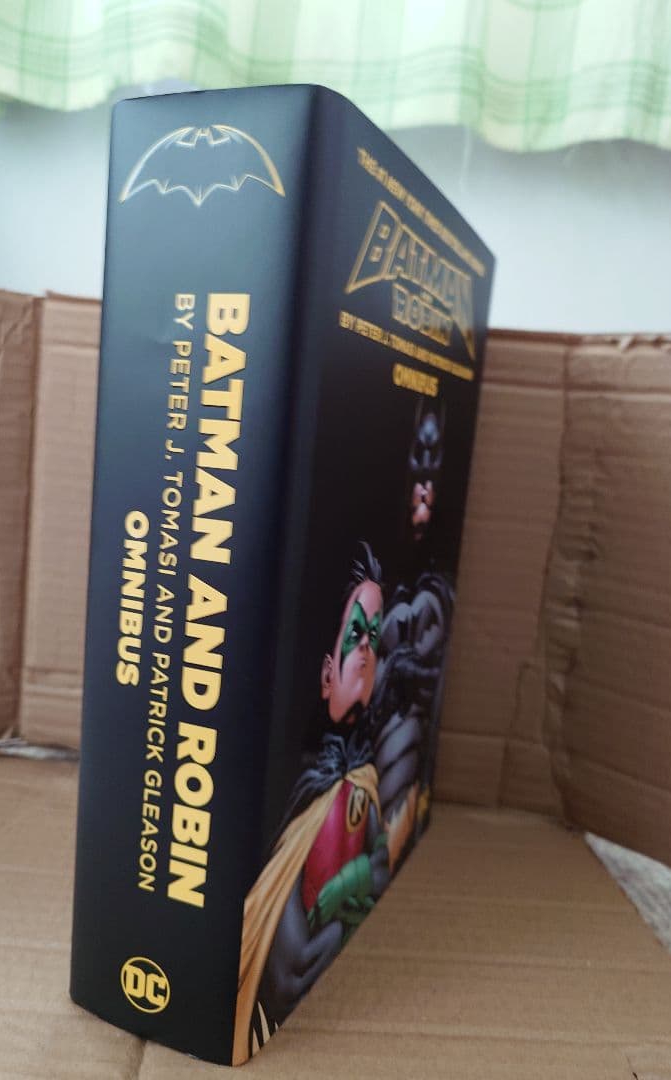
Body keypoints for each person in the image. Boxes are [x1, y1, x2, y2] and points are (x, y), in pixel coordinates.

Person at [233, 543, 390, 1062]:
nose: (365, 648)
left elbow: (381, 863)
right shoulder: (299, 790)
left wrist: (353, 883)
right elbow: (287, 963)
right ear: (327, 675)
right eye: (355, 634)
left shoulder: (366, 781)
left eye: (374, 638)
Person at [374, 400, 455, 872]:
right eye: (418, 455)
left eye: (434, 455)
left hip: (407, 755)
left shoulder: (436, 589)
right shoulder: (381, 575)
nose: (425, 476)